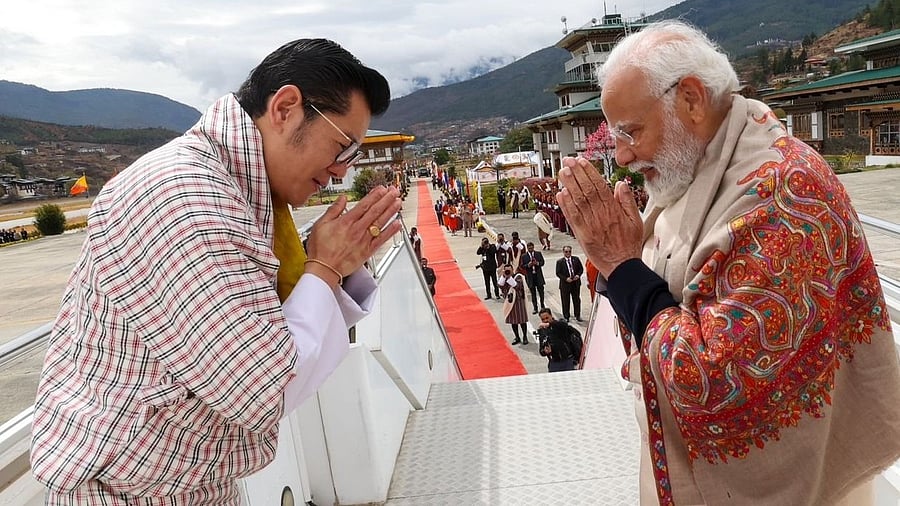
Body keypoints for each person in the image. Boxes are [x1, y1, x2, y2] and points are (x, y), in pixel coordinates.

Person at [30, 38, 402, 505]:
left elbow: (260, 335)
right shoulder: (185, 196)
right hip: (127, 492)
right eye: (343, 147)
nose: (341, 172)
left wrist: (329, 264)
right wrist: (324, 267)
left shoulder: (234, 190)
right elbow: (265, 385)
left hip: (177, 486)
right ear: (285, 108)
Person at [556, 20, 900, 506]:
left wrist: (623, 267)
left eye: (631, 132)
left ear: (692, 99)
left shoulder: (780, 193)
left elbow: (713, 381)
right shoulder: (702, 170)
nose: (623, 155)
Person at [536, 308, 576, 372]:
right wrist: (545, 351)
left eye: (547, 318)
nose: (545, 320)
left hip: (567, 360)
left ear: (551, 316)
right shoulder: (542, 331)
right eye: (543, 319)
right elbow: (541, 350)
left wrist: (550, 324)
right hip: (554, 362)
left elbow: (564, 325)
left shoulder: (558, 325)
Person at [498, 264, 528, 345]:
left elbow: (517, 286)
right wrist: (504, 276)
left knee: (522, 320)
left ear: (512, 269)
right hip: (510, 301)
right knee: (513, 321)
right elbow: (500, 285)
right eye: (506, 270)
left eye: (509, 270)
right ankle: (517, 336)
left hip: (518, 301)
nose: (508, 271)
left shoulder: (518, 276)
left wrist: (509, 277)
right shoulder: (504, 277)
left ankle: (525, 336)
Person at [555, 246, 583, 322]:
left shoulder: (576, 259)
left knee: (576, 300)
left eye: (569, 251)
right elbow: (558, 273)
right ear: (563, 252)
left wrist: (578, 275)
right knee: (565, 301)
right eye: (566, 252)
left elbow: (581, 269)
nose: (568, 253)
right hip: (565, 284)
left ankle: (577, 315)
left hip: (575, 283)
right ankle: (566, 316)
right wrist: (565, 279)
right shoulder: (560, 262)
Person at [520, 241, 546, 314]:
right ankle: (535, 307)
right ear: (527, 248)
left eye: (532, 248)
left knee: (541, 292)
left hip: (538, 276)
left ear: (533, 247)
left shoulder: (538, 254)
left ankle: (542, 305)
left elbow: (542, 262)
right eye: (529, 248)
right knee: (533, 293)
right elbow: (522, 266)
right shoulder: (524, 256)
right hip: (530, 277)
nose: (531, 249)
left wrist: (537, 263)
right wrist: (528, 265)